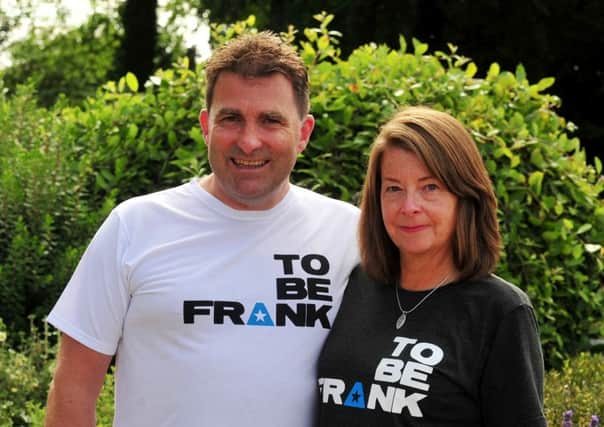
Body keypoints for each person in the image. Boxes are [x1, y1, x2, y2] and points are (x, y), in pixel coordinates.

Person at [44, 31, 360, 427]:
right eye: (231, 118)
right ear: (206, 125)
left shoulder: (350, 235)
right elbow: (74, 385)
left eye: (271, 120)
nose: (249, 141)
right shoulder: (134, 226)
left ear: (303, 133)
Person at [316, 106, 547, 426]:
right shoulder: (353, 284)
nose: (409, 207)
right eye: (394, 188)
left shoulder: (500, 312)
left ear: (464, 196)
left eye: (430, 187)